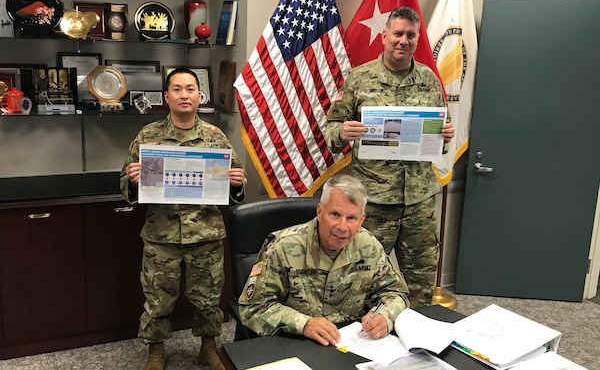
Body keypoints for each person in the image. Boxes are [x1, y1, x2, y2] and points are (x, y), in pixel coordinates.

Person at [325, 6, 455, 308]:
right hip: (374, 199)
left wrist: (445, 138)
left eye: (410, 35)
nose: (403, 40)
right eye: (397, 33)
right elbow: (331, 131)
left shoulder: (429, 80)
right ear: (384, 35)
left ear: (416, 38)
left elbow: (439, 139)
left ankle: (420, 342)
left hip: (418, 200)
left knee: (420, 283)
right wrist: (342, 132)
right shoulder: (359, 79)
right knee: (362, 277)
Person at [120, 68, 246, 370]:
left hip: (205, 234)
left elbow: (234, 186)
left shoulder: (216, 138)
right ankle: (156, 351)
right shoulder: (148, 137)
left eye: (190, 88)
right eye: (177, 89)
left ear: (199, 96)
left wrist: (237, 184)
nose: (184, 94)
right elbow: (125, 182)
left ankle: (207, 347)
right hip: (161, 235)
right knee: (158, 297)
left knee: (208, 297)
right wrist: (134, 181)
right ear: (167, 97)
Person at [238, 174, 409, 346]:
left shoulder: (368, 246)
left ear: (361, 219)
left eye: (351, 218)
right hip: (296, 342)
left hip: (352, 344)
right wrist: (303, 324)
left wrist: (385, 315)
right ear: (320, 212)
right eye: (335, 214)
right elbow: (253, 308)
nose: (342, 227)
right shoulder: (283, 247)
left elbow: (396, 292)